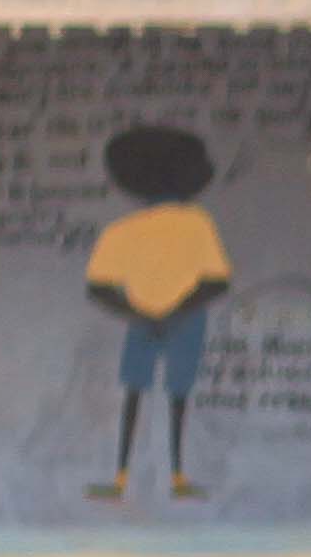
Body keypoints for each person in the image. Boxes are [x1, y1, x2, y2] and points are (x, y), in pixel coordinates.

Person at [79, 121, 228, 502]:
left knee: (136, 392)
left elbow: (98, 287)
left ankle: (123, 478)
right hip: (184, 321)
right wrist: (174, 313)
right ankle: (176, 477)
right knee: (177, 396)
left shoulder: (122, 231)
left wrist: (145, 315)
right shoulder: (198, 224)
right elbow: (216, 282)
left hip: (143, 320)